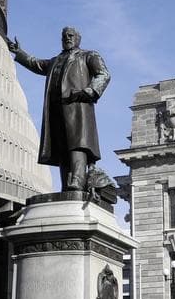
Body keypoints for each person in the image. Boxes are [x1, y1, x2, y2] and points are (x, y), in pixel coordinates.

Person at [7, 27, 111, 191]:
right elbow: (37, 65)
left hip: (77, 107)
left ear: (78, 38)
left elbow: (103, 74)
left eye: (71, 35)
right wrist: (19, 52)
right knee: (62, 147)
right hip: (56, 109)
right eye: (64, 36)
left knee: (78, 144)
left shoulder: (88, 55)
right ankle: (66, 185)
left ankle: (77, 180)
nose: (67, 38)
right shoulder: (56, 60)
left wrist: (89, 91)